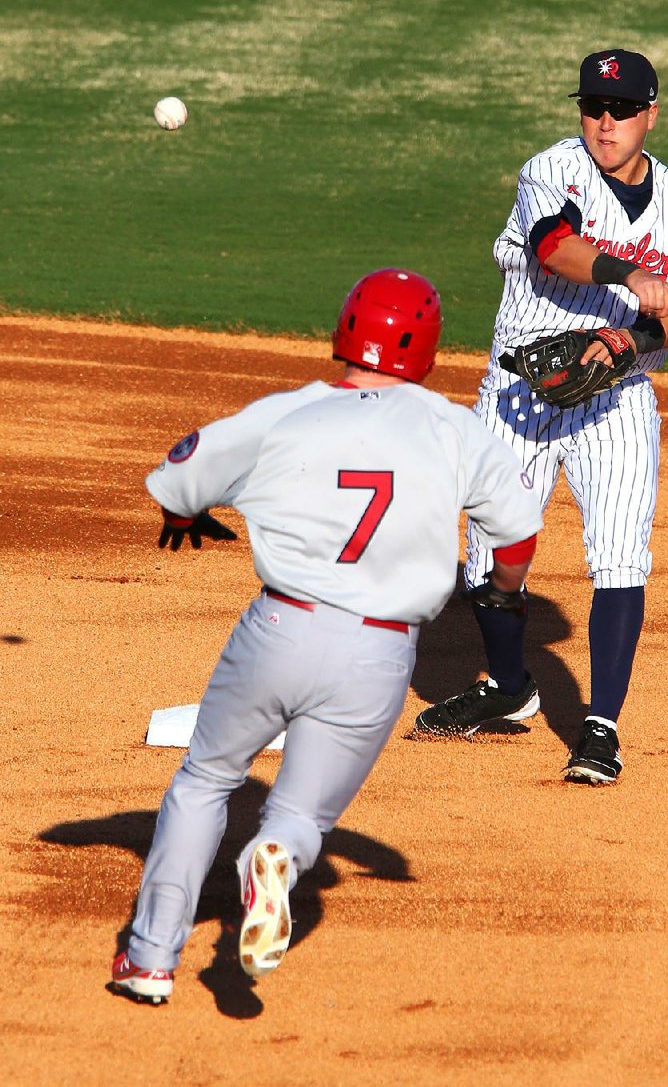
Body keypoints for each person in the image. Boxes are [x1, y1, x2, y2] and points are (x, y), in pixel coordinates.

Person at [111, 268, 544, 1004]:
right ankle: (276, 856)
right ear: (428, 351)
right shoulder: (454, 428)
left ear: (346, 327)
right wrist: (503, 592)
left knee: (207, 779)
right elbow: (516, 540)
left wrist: (183, 516)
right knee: (299, 816)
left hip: (280, 628)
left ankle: (151, 958)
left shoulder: (290, 412)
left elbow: (177, 476)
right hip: (379, 653)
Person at [414, 49, 668, 785]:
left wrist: (630, 340)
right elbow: (554, 244)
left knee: (618, 555)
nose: (604, 124)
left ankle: (601, 728)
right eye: (592, 108)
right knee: (490, 562)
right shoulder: (552, 170)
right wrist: (626, 276)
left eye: (619, 110)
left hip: (615, 398)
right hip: (521, 389)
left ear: (651, 113)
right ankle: (509, 688)